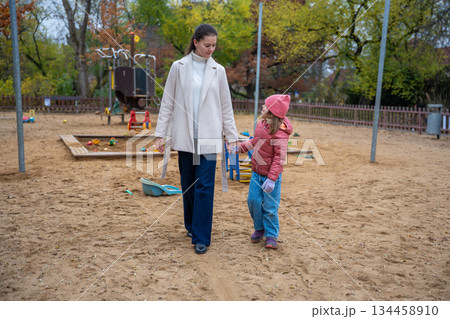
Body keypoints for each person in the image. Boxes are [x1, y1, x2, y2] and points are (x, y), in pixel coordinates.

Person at [154, 24, 238, 254]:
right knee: (189, 186)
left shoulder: (218, 71)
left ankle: (202, 237)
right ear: (195, 42)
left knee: (205, 186)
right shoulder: (178, 68)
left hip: (210, 138)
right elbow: (168, 102)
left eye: (214, 45)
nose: (211, 49)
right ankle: (191, 225)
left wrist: (232, 137)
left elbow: (225, 107)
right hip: (185, 138)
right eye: (207, 45)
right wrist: (161, 133)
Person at [237, 94, 292, 249]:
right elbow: (255, 141)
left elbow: (279, 158)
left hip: (271, 177)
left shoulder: (280, 133)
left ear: (272, 111)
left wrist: (272, 179)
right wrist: (240, 148)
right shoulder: (261, 124)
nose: (262, 107)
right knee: (253, 201)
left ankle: (271, 235)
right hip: (256, 173)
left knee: (270, 207)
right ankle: (259, 227)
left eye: (265, 105)